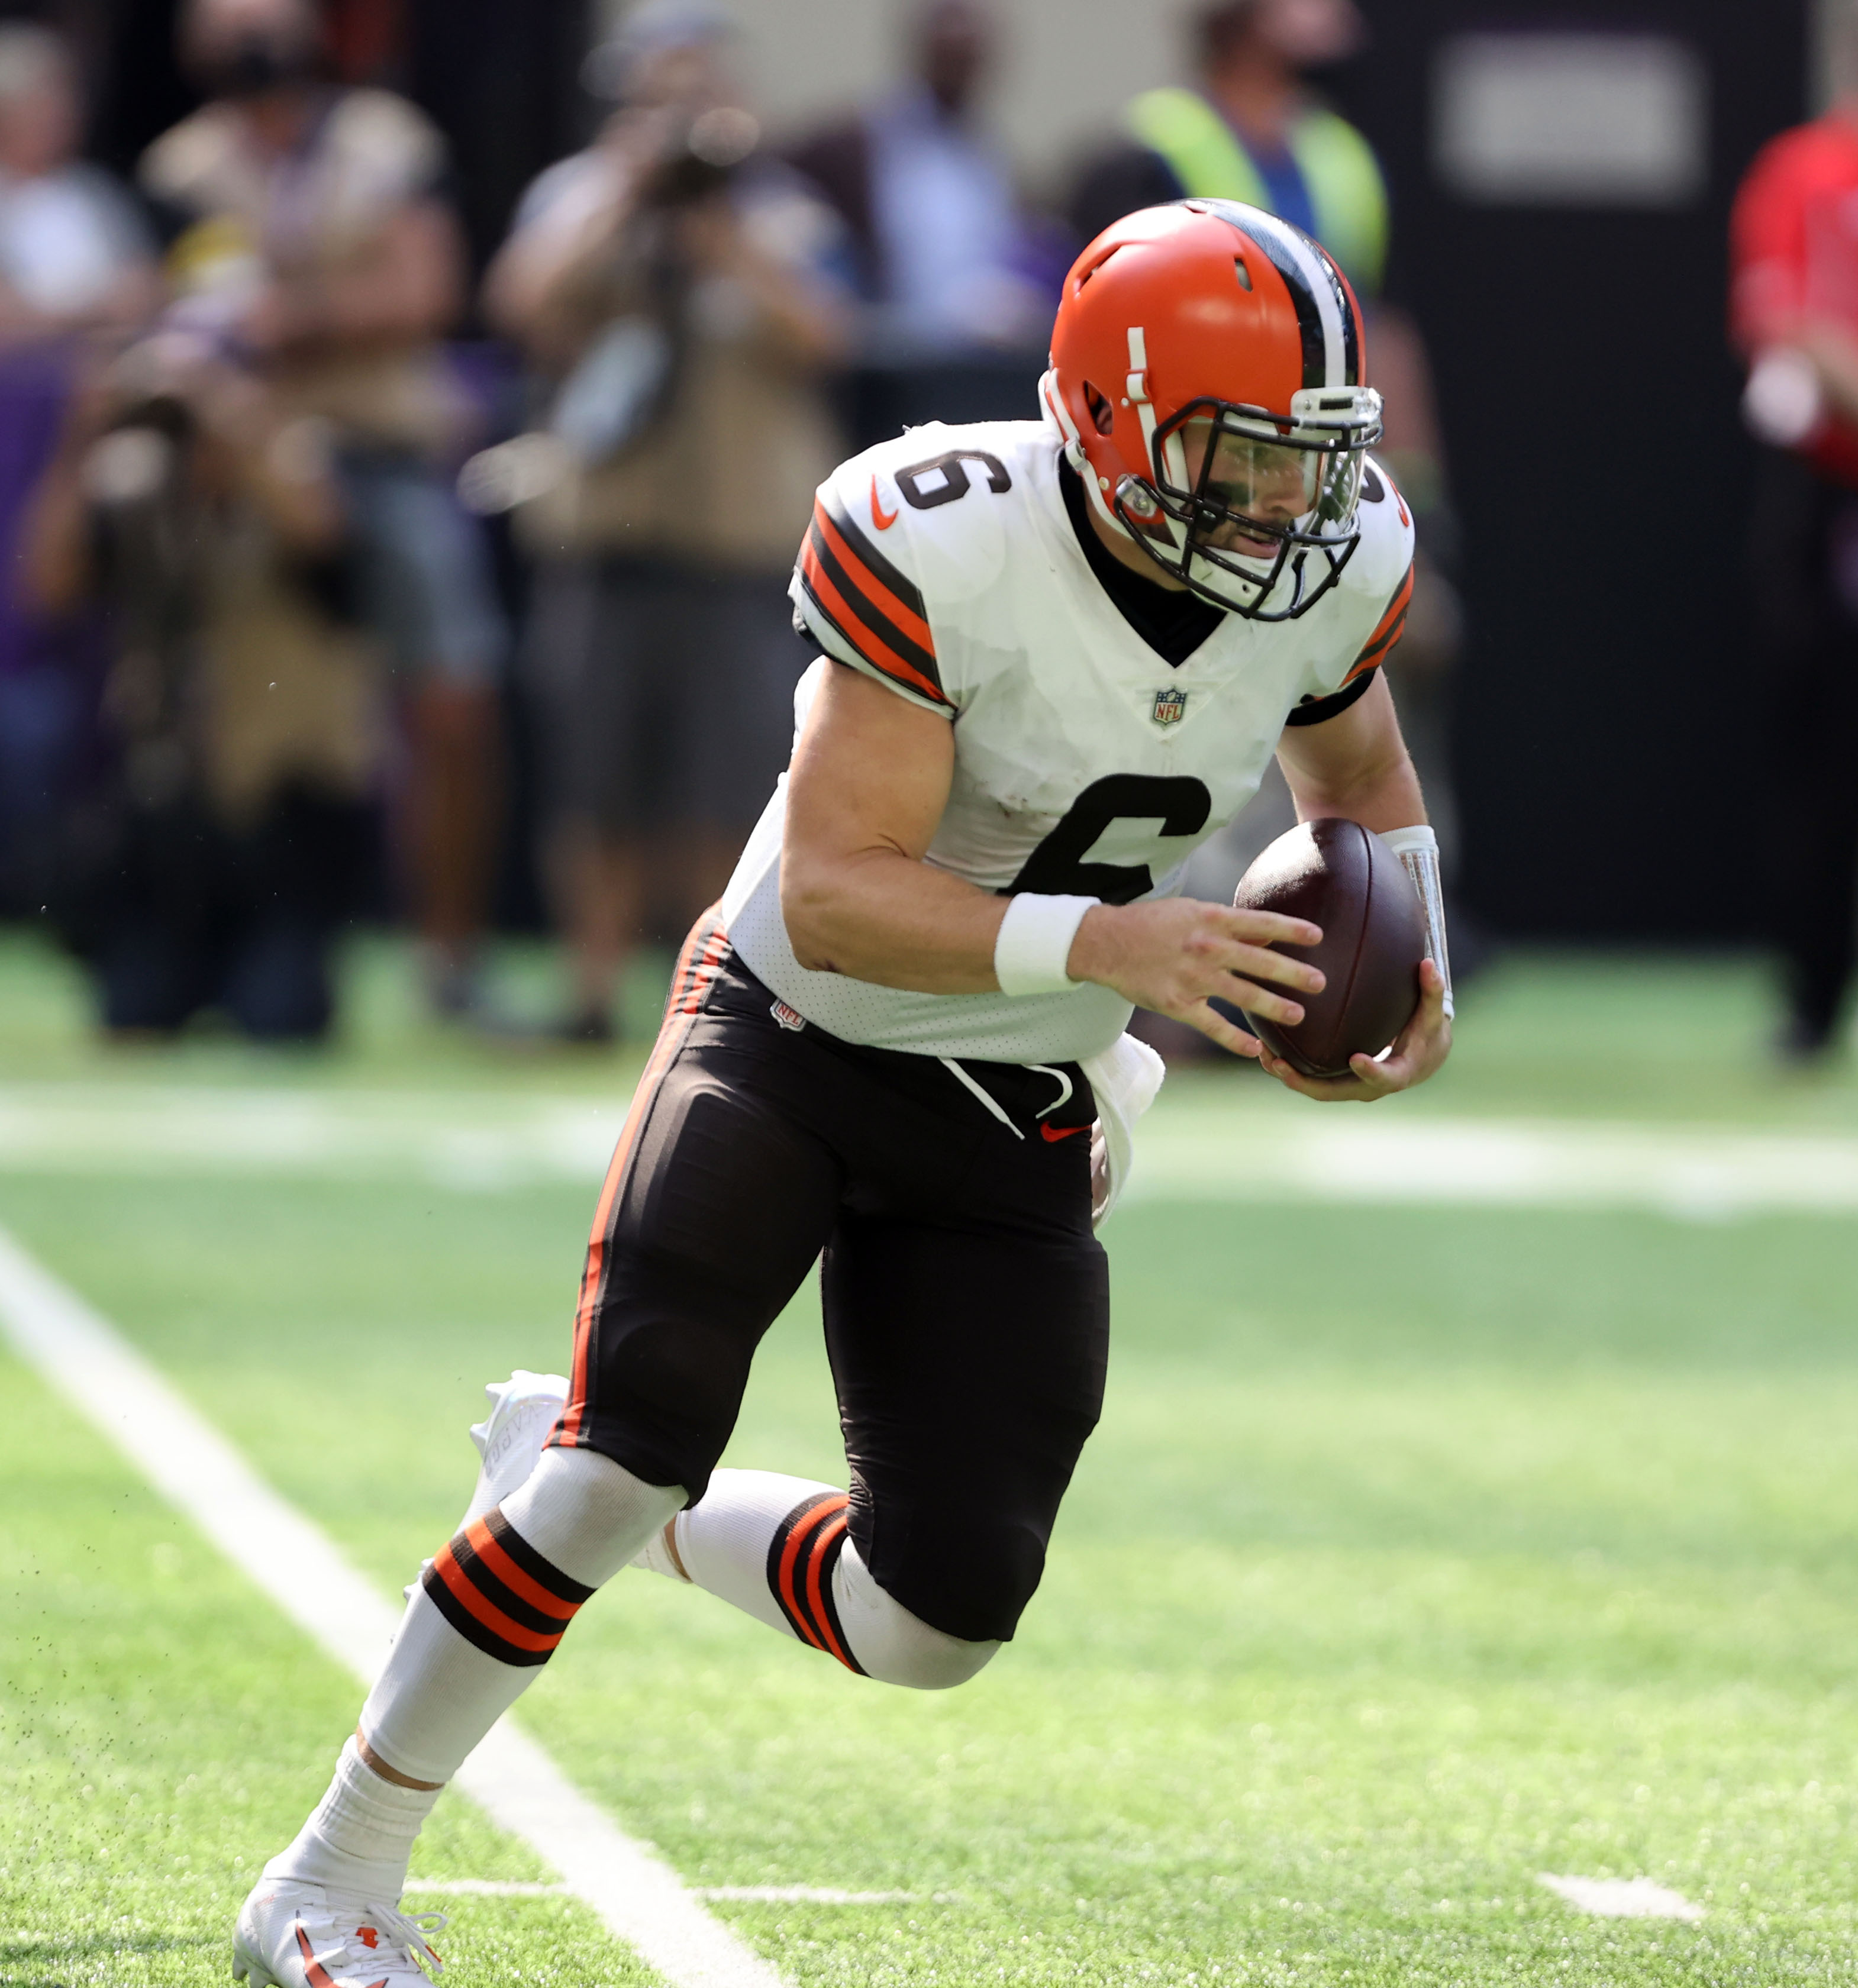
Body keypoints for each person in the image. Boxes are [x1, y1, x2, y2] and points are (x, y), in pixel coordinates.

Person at [231, 199, 1453, 1986]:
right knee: (615, 1449)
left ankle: (609, 1496)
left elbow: (1356, 779)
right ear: (1110, 421)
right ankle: (330, 1876)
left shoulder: (1330, 559)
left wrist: (1399, 953)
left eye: (1305, 461)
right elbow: (833, 889)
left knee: (937, 1614)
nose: (1280, 507)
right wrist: (1115, 949)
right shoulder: (940, 529)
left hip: (1011, 1090)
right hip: (795, 1030)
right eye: (1236, 456)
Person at [483, 1, 850, 1042]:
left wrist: (724, 240)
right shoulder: (582, 199)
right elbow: (521, 305)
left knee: (722, 783)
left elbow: (827, 334)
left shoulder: (782, 213)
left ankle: (703, 989)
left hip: (736, 549)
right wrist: (627, 195)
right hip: (605, 540)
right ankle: (591, 994)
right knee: (594, 781)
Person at [140, 0, 505, 1019]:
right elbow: (191, 322)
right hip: (246, 466)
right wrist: (338, 302)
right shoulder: (184, 167)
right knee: (243, 715)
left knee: (451, 700)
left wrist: (290, 316)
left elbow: (425, 291)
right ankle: (240, 943)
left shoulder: (388, 142)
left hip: (383, 455)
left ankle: (449, 958)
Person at [22, 333, 382, 1039]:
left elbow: (319, 533)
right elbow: (45, 589)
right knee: (133, 1017)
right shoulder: (134, 498)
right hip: (174, 817)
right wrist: (84, 438)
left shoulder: (291, 473)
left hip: (284, 809)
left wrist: (223, 409)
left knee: (280, 1020)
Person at [1731, 2, 1858, 1061]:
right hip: (1824, 495)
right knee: (1818, 757)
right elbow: (1789, 325)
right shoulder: (1807, 172)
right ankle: (1813, 1000)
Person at [786, 0, 1066, 447]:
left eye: (972, 60)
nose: (963, 72)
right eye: (951, 56)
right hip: (885, 372)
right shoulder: (859, 140)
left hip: (967, 369)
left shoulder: (986, 150)